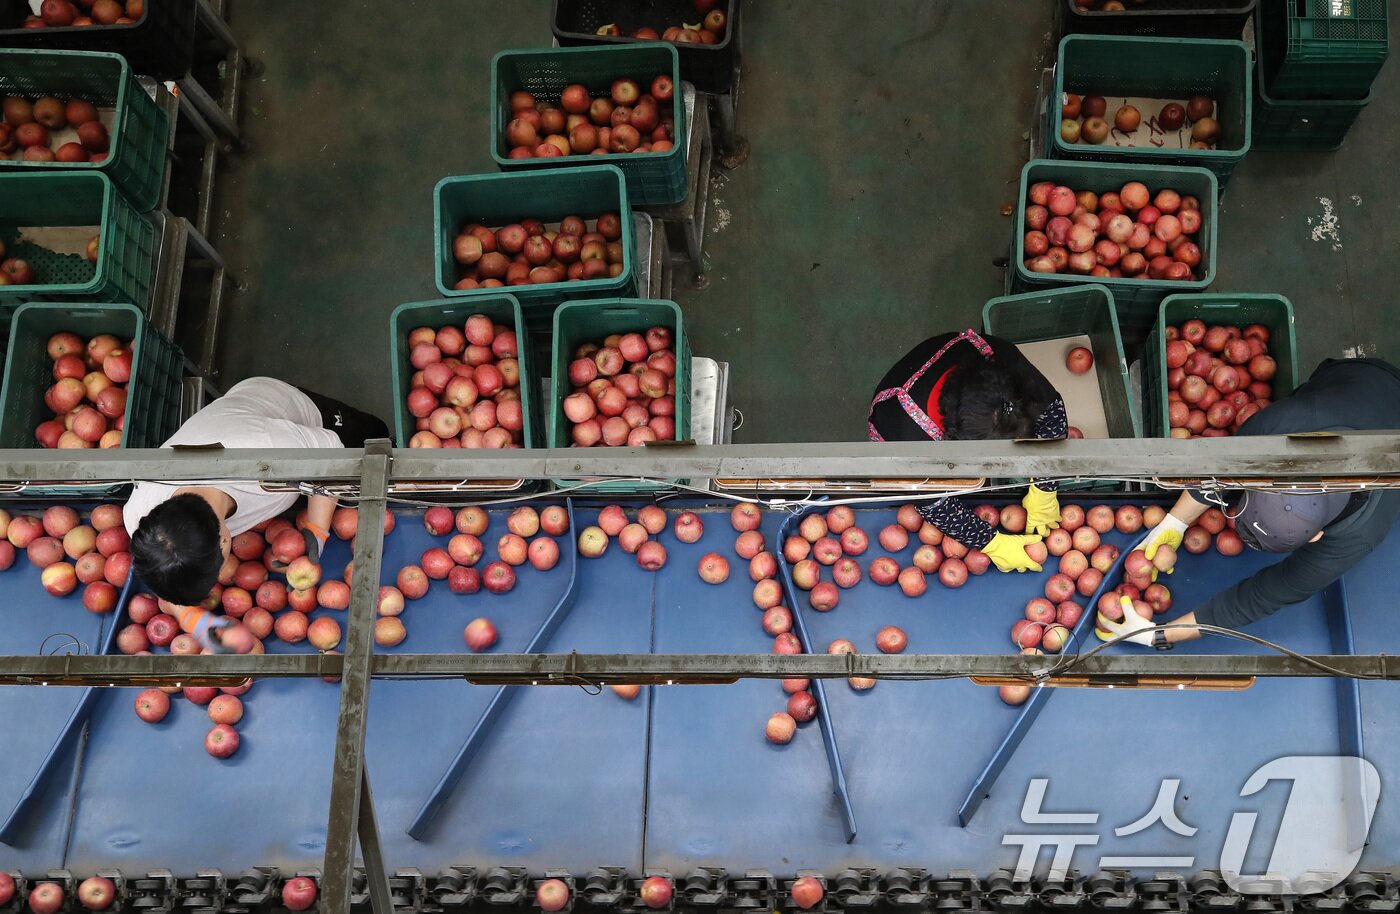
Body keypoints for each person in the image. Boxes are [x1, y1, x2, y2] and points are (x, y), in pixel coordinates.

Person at [1101, 358, 1400, 649]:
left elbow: (1262, 596)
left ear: (1317, 537)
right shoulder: (1278, 428)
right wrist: (1175, 522)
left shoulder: (1357, 538)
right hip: (1363, 376)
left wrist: (1162, 635)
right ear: (1268, 474)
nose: (1230, 517)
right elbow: (1225, 470)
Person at [125, 378, 389, 651]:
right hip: (240, 430)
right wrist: (191, 618)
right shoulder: (142, 519)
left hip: (290, 411)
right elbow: (161, 570)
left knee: (375, 434)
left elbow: (332, 453)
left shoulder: (267, 453)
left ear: (225, 540)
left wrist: (318, 529)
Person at [868, 328, 1068, 572]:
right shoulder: (906, 431)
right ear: (954, 434)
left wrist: (1045, 488)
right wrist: (991, 543)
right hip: (902, 417)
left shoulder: (1005, 365)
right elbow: (928, 498)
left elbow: (1051, 414)